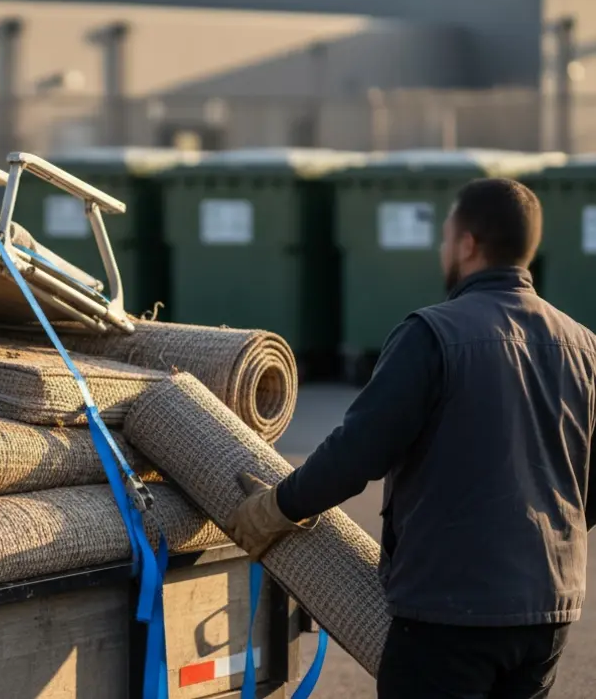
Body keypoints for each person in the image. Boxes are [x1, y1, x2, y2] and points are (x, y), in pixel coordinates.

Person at [229, 178, 596, 699]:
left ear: (468, 243)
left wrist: (277, 507)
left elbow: (356, 452)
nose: (443, 248)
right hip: (546, 615)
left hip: (446, 616)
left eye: (447, 236)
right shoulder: (585, 347)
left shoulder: (432, 334)